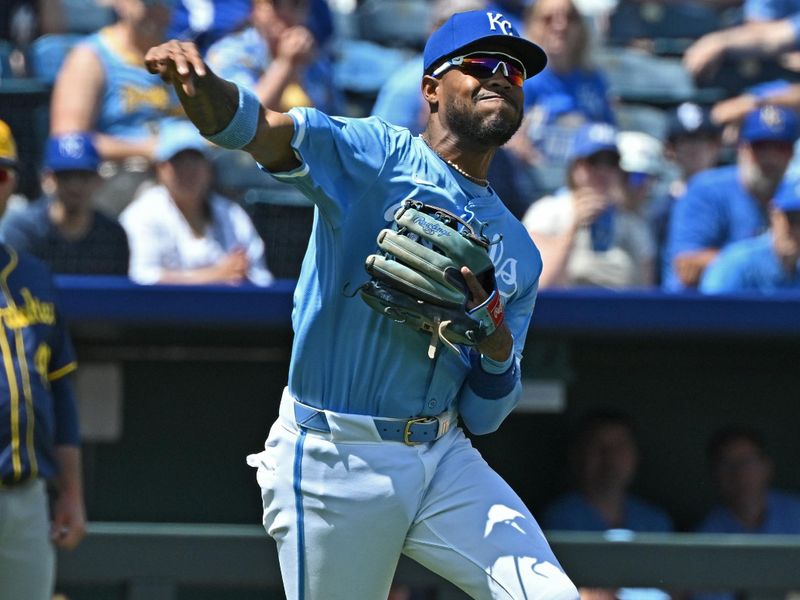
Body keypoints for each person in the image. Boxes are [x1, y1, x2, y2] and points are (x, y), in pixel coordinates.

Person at [145, 9, 580, 600]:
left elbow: (485, 416)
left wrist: (496, 344)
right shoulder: (376, 157)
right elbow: (260, 131)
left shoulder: (520, 253)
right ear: (430, 89)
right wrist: (204, 91)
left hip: (443, 456)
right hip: (334, 457)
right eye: (480, 64)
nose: (500, 77)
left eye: (514, 71)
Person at [0, 119, 87, 600]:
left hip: (27, 496)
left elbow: (60, 392)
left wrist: (71, 494)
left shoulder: (33, 276)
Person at [49, 0, 184, 217]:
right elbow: (68, 143)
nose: (157, 10)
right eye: (148, 3)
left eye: (166, 2)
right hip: (120, 178)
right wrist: (149, 148)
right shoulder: (91, 57)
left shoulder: (181, 57)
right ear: (121, 4)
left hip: (183, 171)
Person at [662, 104, 800, 291]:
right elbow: (686, 267)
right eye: (760, 148)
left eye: (780, 148)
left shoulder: (794, 195)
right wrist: (764, 254)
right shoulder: (708, 189)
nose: (770, 158)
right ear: (741, 149)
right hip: (698, 311)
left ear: (792, 153)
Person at [120, 119, 272, 286]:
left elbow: (261, 278)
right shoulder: (141, 214)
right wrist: (215, 275)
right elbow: (142, 277)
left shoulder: (232, 214)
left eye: (195, 159)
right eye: (178, 161)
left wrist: (240, 273)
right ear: (160, 168)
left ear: (208, 167)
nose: (188, 170)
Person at [522, 122, 655, 288]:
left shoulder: (631, 223)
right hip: (563, 310)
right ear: (576, 166)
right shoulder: (547, 211)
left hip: (617, 310)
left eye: (611, 162)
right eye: (594, 161)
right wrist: (573, 228)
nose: (603, 171)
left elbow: (646, 294)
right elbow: (540, 285)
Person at [514, 0, 615, 194]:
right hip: (533, 186)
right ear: (531, 25)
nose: (560, 25)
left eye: (570, 18)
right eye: (548, 19)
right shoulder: (520, 79)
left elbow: (609, 133)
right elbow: (511, 142)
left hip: (586, 187)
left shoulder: (594, 81)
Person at [0, 132, 130, 275]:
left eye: (84, 176)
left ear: (98, 180)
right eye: (65, 176)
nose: (74, 186)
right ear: (48, 179)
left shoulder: (112, 236)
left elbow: (118, 293)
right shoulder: (23, 229)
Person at [543, 410, 673, 532]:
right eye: (598, 447)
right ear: (577, 456)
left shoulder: (655, 522)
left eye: (619, 448)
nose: (610, 458)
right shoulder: (558, 521)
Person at [204, 0, 341, 115]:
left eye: (296, 3)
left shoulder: (314, 59)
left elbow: (336, 121)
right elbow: (244, 119)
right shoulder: (229, 53)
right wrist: (285, 64)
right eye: (276, 3)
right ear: (255, 9)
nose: (286, 13)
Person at [646, 103, 723, 286]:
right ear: (670, 150)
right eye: (686, 141)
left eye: (703, 139)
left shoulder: (733, 198)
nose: (696, 148)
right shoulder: (661, 209)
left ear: (716, 146)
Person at [700, 177, 800, 293]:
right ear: (774, 215)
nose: (798, 230)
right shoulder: (738, 263)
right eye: (792, 219)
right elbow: (710, 308)